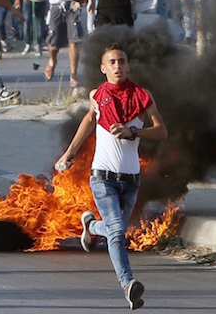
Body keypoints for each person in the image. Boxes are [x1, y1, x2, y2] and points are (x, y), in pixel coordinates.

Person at [55, 43, 167, 311]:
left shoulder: (141, 96)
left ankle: (91, 226)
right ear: (103, 69)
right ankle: (128, 284)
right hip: (102, 177)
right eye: (112, 62)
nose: (117, 66)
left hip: (131, 180)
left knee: (117, 230)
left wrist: (134, 132)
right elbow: (88, 122)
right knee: (117, 232)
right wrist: (68, 154)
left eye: (122, 61)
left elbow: (161, 131)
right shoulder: (97, 95)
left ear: (128, 66)